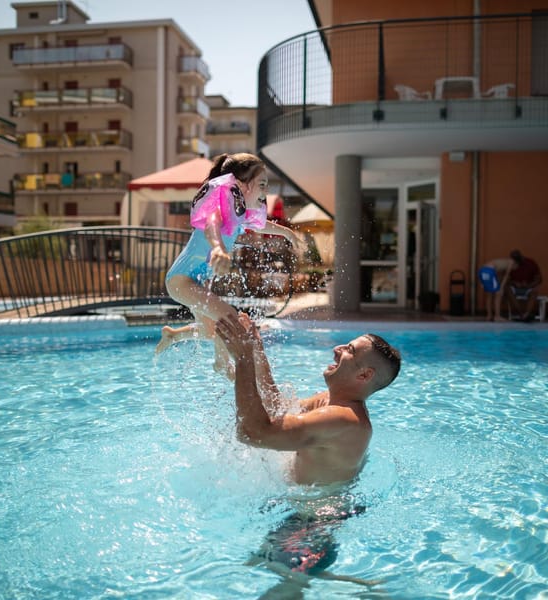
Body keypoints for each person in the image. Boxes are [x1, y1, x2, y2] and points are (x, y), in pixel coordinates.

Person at [215, 312, 400, 589]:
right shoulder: (329, 402)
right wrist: (255, 349)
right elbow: (276, 409)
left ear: (364, 374)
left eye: (349, 350)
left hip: (313, 525)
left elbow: (253, 434)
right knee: (260, 565)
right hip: (303, 512)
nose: (337, 349)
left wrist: (242, 359)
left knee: (282, 589)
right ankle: (362, 587)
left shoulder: (345, 420)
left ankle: (366, 589)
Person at [155, 153, 302, 375]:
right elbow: (211, 224)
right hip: (180, 280)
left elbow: (261, 226)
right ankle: (221, 364)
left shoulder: (238, 213)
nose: (266, 191)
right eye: (262, 184)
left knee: (211, 330)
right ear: (242, 185)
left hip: (193, 282)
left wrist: (287, 233)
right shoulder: (221, 208)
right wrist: (218, 248)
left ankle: (173, 336)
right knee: (229, 317)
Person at [506, 249, 542, 322]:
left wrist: (529, 285)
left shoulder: (531, 263)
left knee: (535, 291)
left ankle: (527, 313)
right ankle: (521, 314)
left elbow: (539, 279)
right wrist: (514, 283)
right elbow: (505, 280)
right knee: (507, 289)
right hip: (515, 287)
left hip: (528, 287)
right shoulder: (510, 264)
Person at [477, 256, 517, 321]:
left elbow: (497, 277)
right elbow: (506, 276)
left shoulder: (502, 263)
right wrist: (501, 287)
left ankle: (489, 316)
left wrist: (482, 282)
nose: (514, 269)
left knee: (489, 295)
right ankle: (497, 316)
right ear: (516, 264)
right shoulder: (511, 263)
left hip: (482, 271)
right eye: (515, 268)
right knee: (499, 294)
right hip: (489, 271)